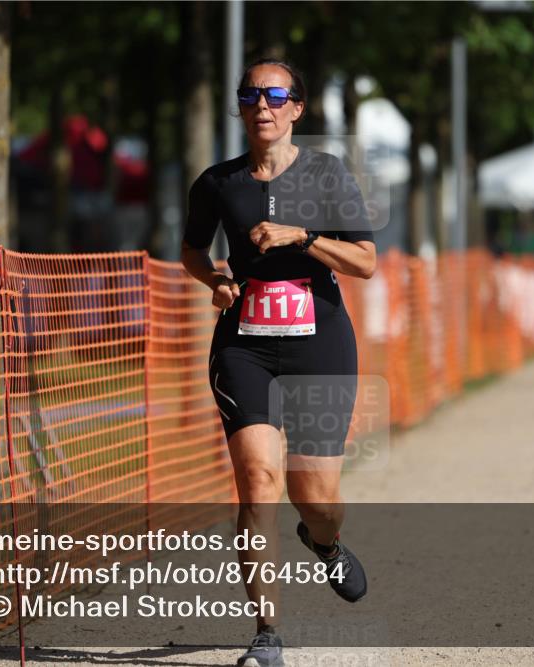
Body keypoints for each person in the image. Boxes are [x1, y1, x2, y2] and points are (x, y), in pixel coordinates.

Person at [180, 58, 376, 667]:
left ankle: (325, 539)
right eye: (249, 95)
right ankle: (267, 635)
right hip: (245, 345)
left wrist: (302, 238)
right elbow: (191, 251)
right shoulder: (218, 183)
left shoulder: (327, 174)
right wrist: (215, 279)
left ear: (297, 108)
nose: (261, 104)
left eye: (274, 94)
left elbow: (366, 261)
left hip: (320, 343)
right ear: (240, 109)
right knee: (258, 484)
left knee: (314, 495)